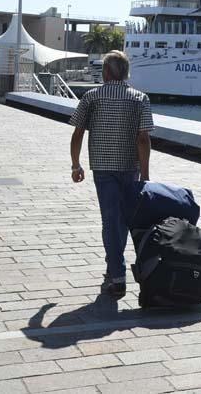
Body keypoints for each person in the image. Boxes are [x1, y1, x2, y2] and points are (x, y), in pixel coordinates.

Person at [69, 50, 154, 299]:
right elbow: (143, 138)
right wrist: (145, 175)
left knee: (110, 220)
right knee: (122, 221)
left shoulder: (92, 97)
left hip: (103, 168)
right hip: (130, 168)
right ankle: (113, 270)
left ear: (106, 72)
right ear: (125, 72)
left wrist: (76, 165)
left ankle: (116, 275)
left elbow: (78, 133)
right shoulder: (140, 98)